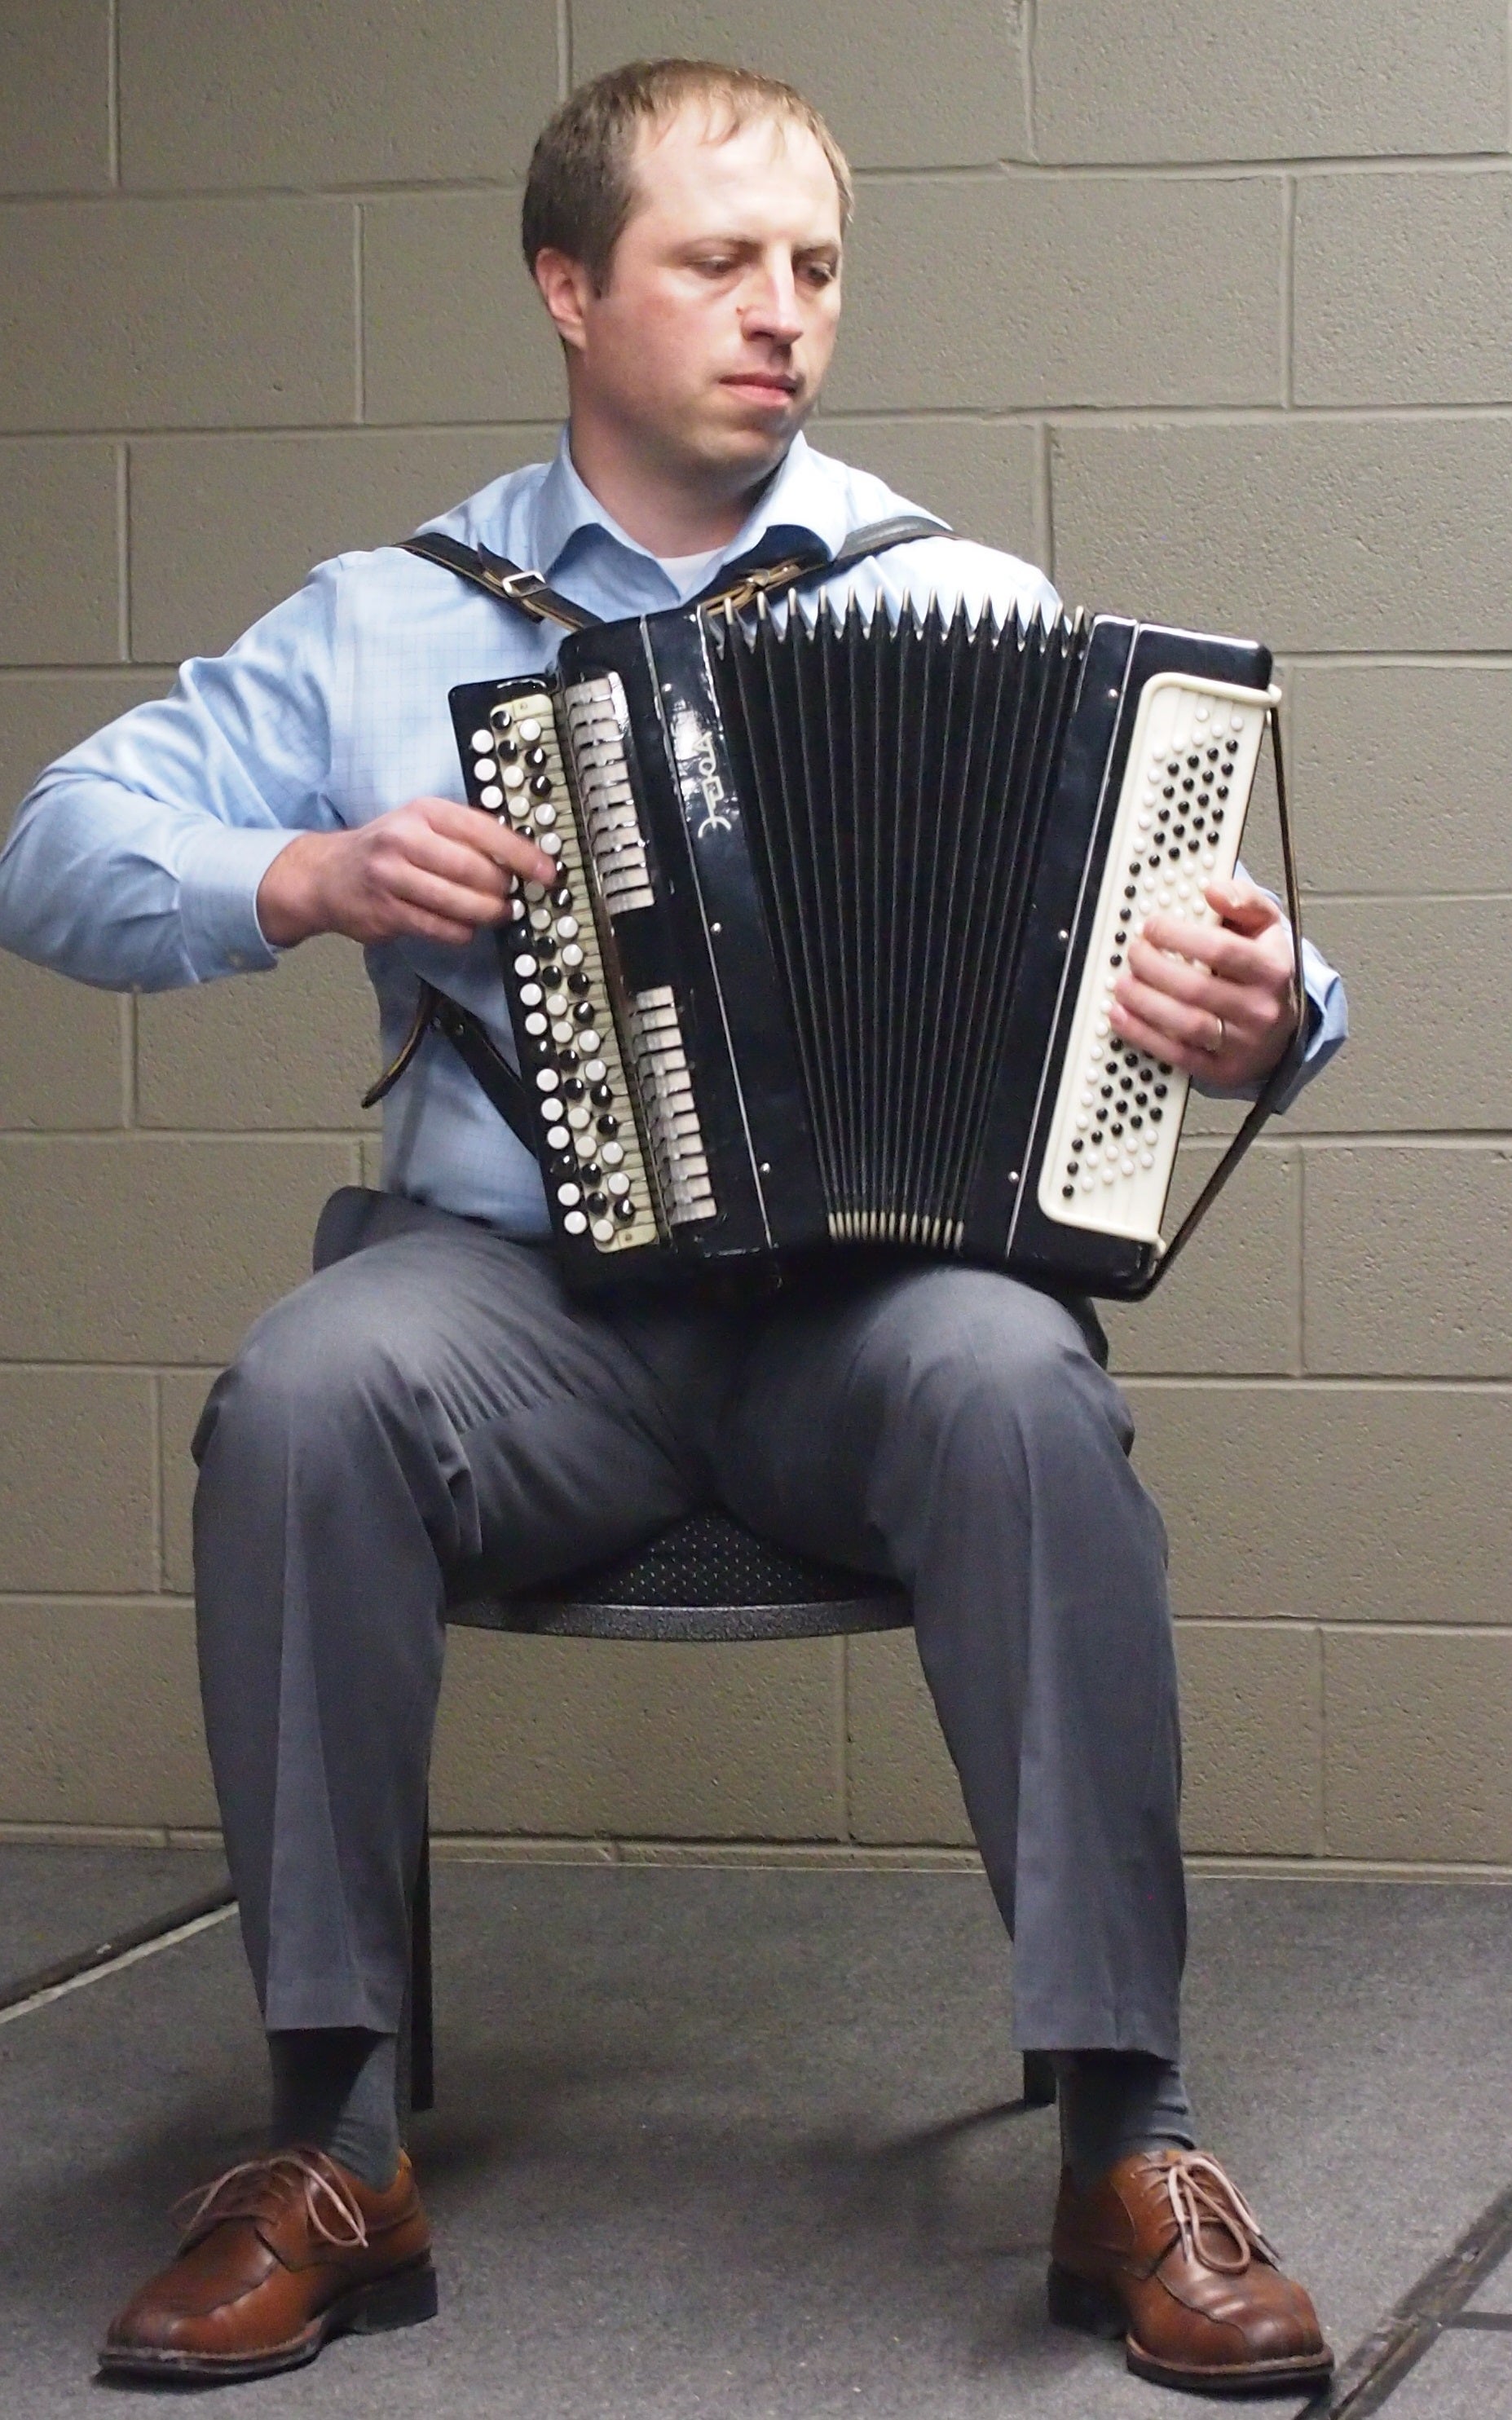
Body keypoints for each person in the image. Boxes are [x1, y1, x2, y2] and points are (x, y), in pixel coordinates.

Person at [0, 59, 1347, 2398]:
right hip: (518, 1315)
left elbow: (1227, 931)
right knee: (304, 1388)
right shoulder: (383, 621)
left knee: (1025, 1379)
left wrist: (1265, 997)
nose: (782, 316)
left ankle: (1133, 2138)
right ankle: (331, 2136)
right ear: (566, 286)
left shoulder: (958, 592)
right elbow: (55, 847)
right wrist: (296, 874)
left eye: (813, 267)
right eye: (720, 262)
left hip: (867, 1322)